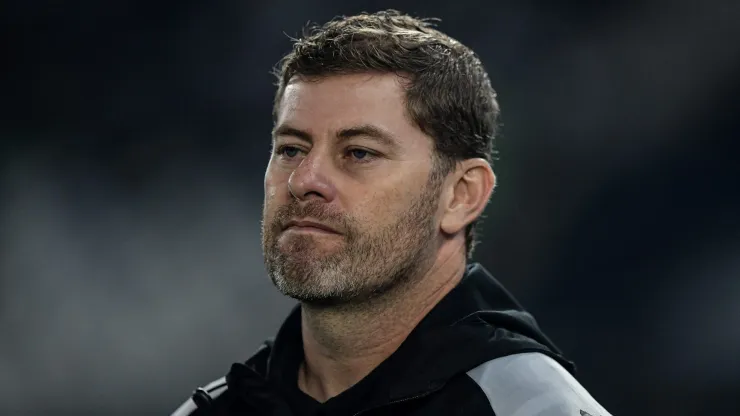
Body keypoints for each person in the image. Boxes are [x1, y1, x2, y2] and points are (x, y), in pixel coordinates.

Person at [172, 9, 611, 416]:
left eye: (359, 153)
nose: (304, 180)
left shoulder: (533, 408)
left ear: (461, 195)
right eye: (290, 149)